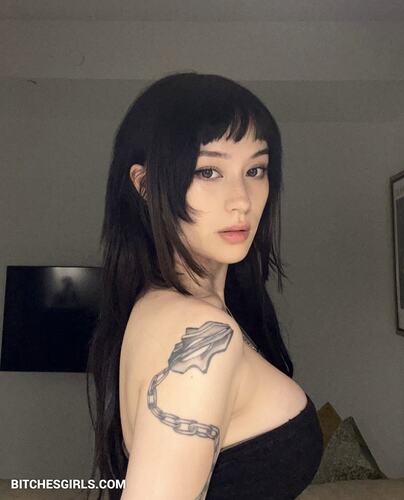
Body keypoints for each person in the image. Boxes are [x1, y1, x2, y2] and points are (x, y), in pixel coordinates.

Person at [86, 71, 323, 500]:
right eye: (209, 171)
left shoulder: (162, 306)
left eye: (255, 169)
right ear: (144, 185)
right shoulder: (201, 331)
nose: (241, 200)